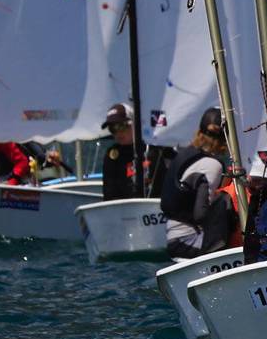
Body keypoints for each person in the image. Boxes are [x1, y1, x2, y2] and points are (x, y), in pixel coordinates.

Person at [161, 108, 239, 258]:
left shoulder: (185, 153)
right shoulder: (211, 165)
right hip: (189, 241)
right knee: (226, 199)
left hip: (173, 239)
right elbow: (200, 214)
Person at [100, 104, 143, 200]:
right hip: (121, 210)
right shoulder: (111, 155)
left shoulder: (151, 151)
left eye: (121, 126)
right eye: (112, 128)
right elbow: (109, 194)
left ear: (134, 124)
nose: (118, 133)